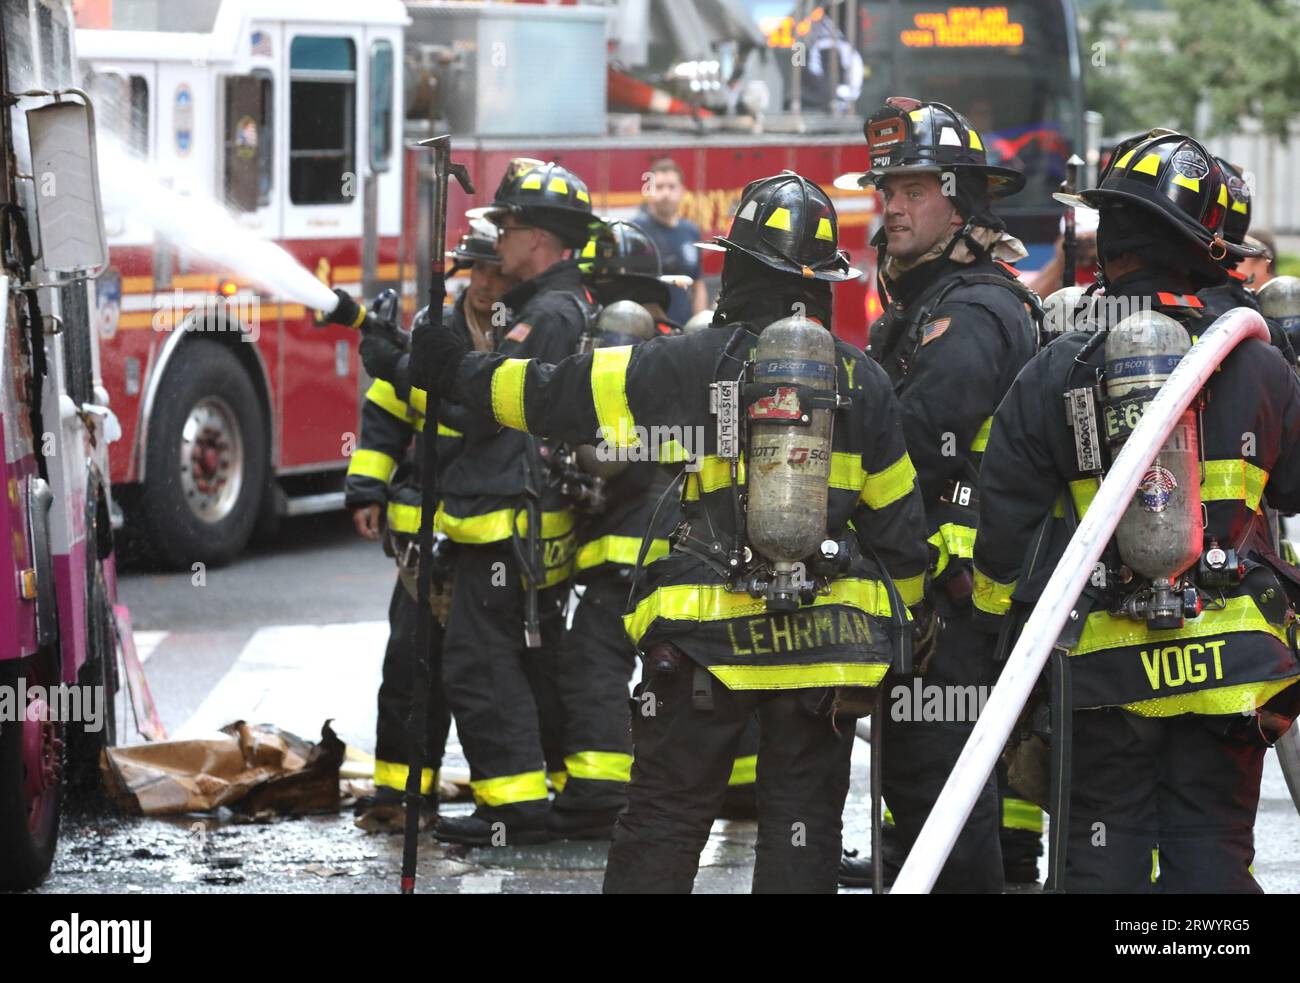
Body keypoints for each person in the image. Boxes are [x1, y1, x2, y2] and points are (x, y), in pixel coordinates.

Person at [365, 171, 932, 893]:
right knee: (804, 827)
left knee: (665, 817)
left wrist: (458, 373)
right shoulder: (864, 381)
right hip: (823, 663)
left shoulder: (692, 360)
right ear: (822, 281)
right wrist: (903, 628)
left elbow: (554, 394)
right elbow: (899, 530)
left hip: (702, 644)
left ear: (739, 265)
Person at [975, 129, 1300, 892]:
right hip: (1231, 674)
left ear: (1110, 244)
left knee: (1101, 858)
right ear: (1203, 245)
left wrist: (1003, 640)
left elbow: (1004, 529)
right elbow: (1293, 488)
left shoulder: (1057, 366)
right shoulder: (1256, 360)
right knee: (1212, 857)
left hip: (1103, 672)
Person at [835, 96, 1039, 892]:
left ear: (959, 199)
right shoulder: (922, 307)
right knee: (925, 784)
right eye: (886, 191)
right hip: (926, 596)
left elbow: (914, 442)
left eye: (913, 190)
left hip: (958, 605)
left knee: (939, 787)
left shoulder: (976, 312)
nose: (890, 206)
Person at [363, 159, 599, 846]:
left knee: (478, 663)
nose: (500, 239)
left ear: (544, 239)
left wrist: (409, 365)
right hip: (499, 516)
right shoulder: (542, 307)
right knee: (493, 660)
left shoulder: (548, 315)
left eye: (512, 226)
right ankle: (519, 798)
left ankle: (514, 807)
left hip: (504, 522)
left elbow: (487, 410)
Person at [344, 229, 517, 832]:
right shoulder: (432, 326)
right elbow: (387, 410)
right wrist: (368, 487)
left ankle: (506, 800)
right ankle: (399, 796)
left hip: (490, 533)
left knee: (481, 670)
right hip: (424, 527)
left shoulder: (522, 332)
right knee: (409, 662)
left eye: (498, 272)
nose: (487, 283)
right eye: (477, 271)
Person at [630, 158, 709, 324]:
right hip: (647, 334)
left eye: (671, 187)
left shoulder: (691, 231)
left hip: (682, 333)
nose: (666, 193)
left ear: (682, 191)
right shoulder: (635, 231)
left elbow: (698, 285)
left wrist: (698, 327)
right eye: (659, 187)